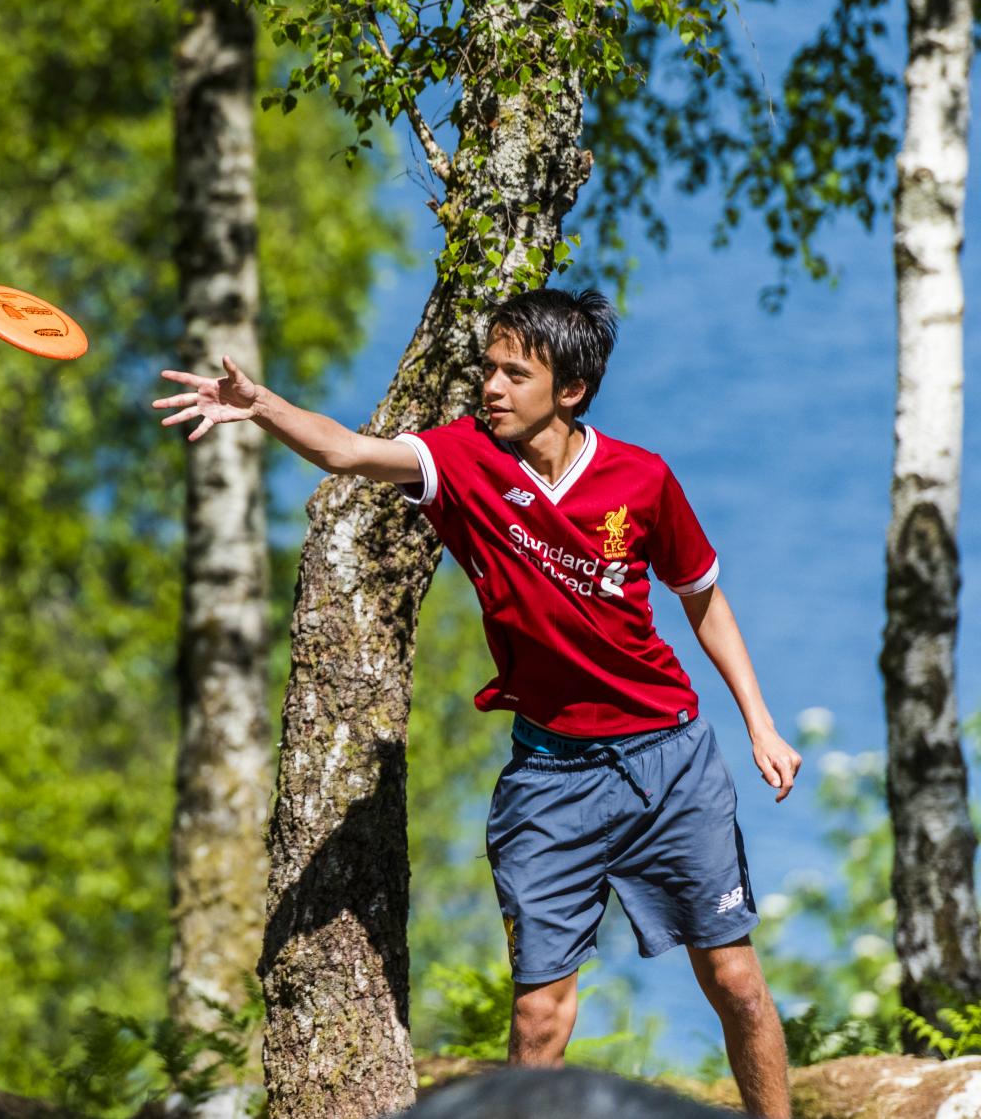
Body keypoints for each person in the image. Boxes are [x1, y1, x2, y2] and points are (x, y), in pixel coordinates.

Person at [153, 287, 800, 1118]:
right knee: (537, 1017)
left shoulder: (642, 479)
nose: (490, 386)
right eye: (487, 368)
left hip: (669, 760)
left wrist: (761, 722)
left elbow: (702, 596)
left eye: (513, 373)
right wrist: (260, 405)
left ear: (569, 389)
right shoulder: (461, 457)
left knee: (738, 983)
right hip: (551, 777)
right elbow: (349, 453)